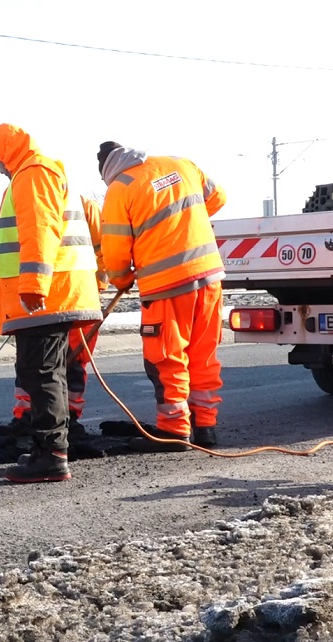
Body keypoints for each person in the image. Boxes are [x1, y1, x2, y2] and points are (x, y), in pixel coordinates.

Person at [0, 124, 102, 483]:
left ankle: (51, 456)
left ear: (7, 153)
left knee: (42, 374)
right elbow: (15, 242)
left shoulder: (34, 172)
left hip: (47, 297)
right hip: (53, 294)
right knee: (47, 373)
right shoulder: (32, 174)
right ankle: (50, 450)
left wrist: (33, 285)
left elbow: (40, 230)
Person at [96, 141, 227, 452]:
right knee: (203, 355)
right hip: (209, 277)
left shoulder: (121, 187)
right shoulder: (181, 163)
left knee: (167, 357)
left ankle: (174, 429)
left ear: (106, 170)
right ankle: (205, 426)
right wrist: (184, 224)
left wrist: (121, 278)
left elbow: (114, 249)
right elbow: (218, 198)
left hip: (167, 285)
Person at [0, 195, 110, 441]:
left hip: (74, 296)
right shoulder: (20, 197)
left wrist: (99, 284)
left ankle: (67, 416)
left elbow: (104, 250)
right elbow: (8, 247)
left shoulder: (84, 207)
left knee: (73, 360)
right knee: (32, 360)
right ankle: (29, 414)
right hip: (39, 297)